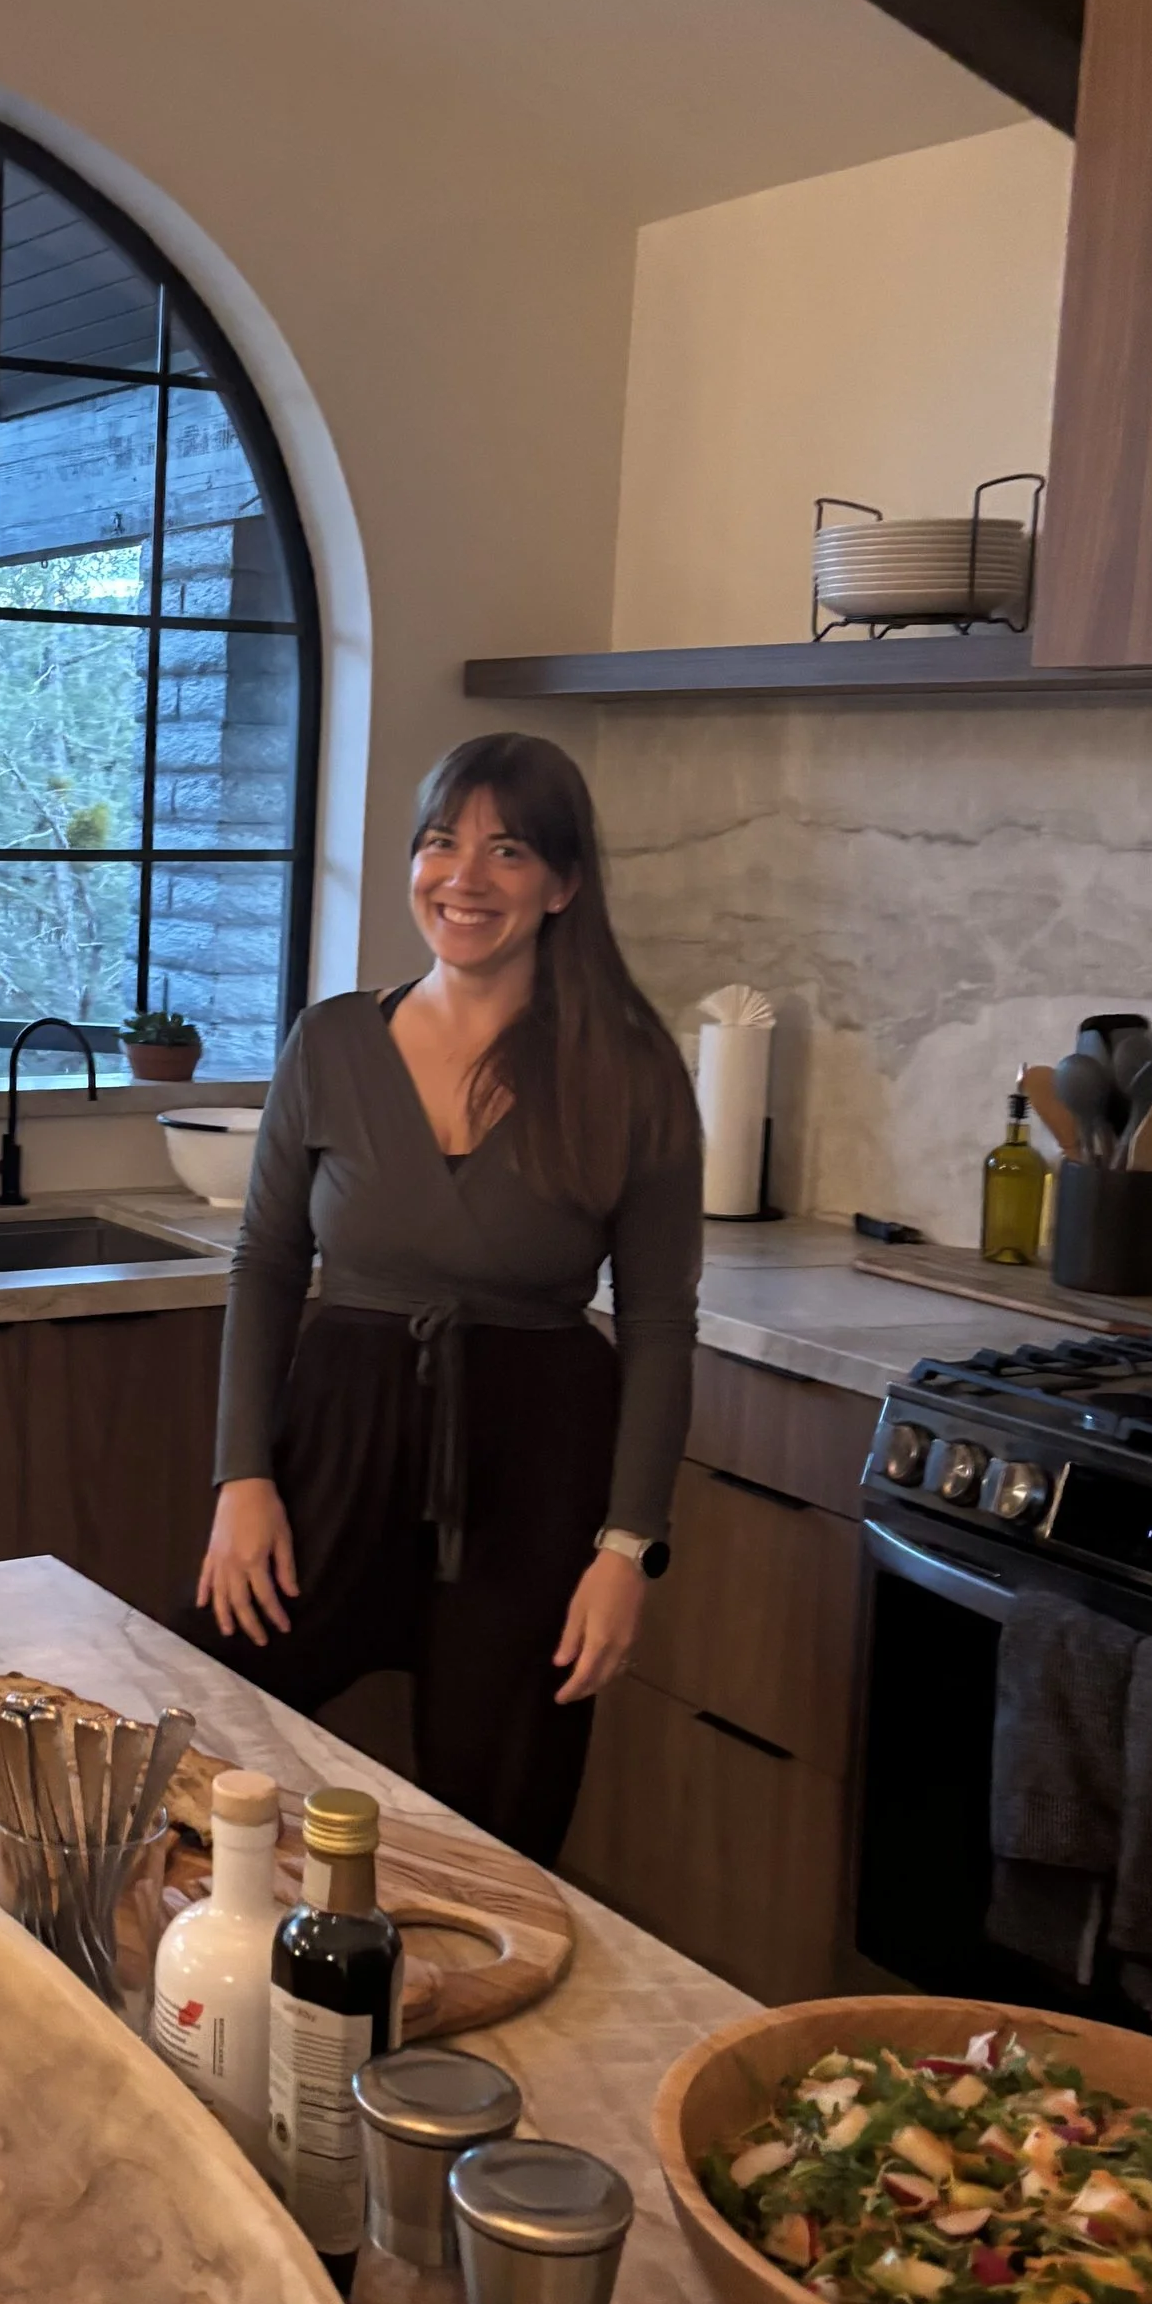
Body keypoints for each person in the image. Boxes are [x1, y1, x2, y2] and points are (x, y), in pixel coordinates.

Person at [195, 731, 702, 1866]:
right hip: (337, 1436)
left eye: (508, 851)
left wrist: (627, 1550)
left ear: (562, 885)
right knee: (213, 1737)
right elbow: (266, 1264)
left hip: (536, 1467)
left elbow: (662, 1321)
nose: (463, 879)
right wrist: (242, 1477)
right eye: (441, 843)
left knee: (501, 1812)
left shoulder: (631, 1067)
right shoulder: (330, 1040)